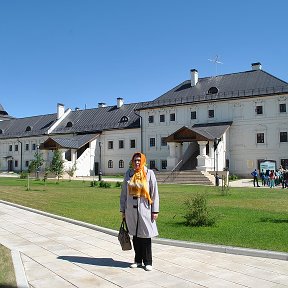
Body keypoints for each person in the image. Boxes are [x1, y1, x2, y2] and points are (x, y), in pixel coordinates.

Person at [120, 152, 159, 271]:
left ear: (143, 161)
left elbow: (154, 193)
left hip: (145, 209)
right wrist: (123, 210)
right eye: (135, 160)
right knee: (135, 236)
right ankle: (137, 260)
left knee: (146, 235)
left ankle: (148, 261)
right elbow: (123, 194)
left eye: (139, 160)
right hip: (131, 210)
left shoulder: (149, 173)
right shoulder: (129, 174)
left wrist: (155, 211)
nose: (137, 162)